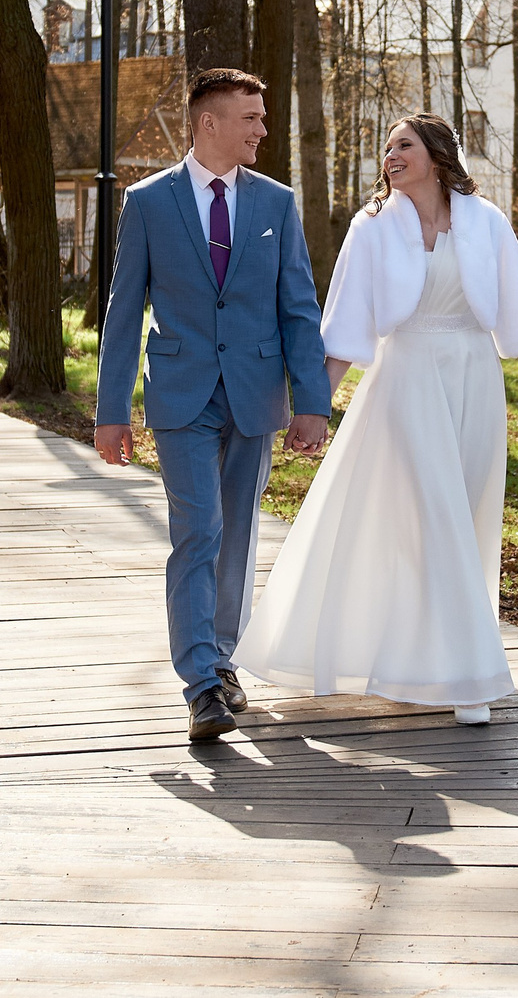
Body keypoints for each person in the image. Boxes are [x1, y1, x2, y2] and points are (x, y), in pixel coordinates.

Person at [234, 113, 518, 725]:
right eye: (386, 146)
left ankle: (424, 664)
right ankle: (469, 680)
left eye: (404, 145)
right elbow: (346, 326)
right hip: (405, 381)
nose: (390, 155)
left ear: (439, 155)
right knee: (432, 514)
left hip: (473, 379)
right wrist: (316, 407)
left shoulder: (485, 222)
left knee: (464, 519)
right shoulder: (372, 229)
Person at [95, 68, 332, 741]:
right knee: (198, 530)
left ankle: (222, 658)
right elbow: (122, 313)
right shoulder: (147, 203)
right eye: (251, 117)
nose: (263, 128)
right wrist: (111, 411)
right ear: (210, 123)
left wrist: (311, 400)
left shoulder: (276, 204)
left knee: (237, 534)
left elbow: (298, 308)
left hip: (256, 394)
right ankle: (201, 681)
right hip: (181, 393)